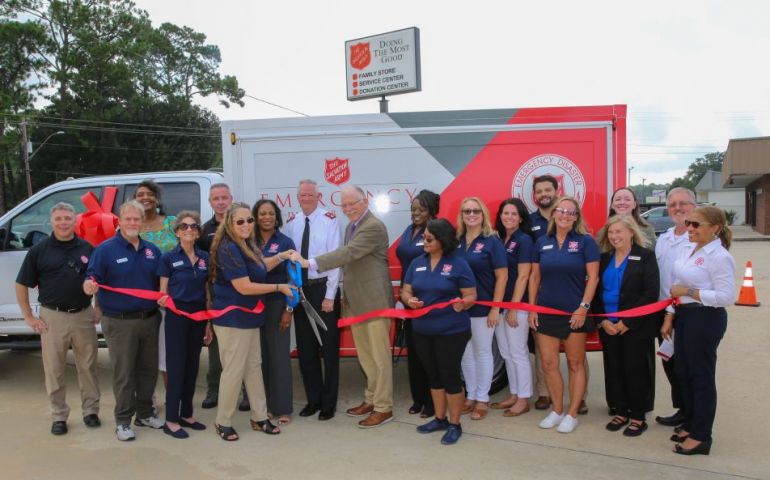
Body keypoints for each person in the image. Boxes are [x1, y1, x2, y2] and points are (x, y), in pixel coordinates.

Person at [292, 185, 395, 429]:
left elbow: (348, 254)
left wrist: (311, 263)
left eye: (353, 204)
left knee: (380, 359)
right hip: (358, 303)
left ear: (365, 201)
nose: (348, 208)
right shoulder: (352, 225)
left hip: (374, 302)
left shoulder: (372, 226)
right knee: (367, 358)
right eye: (344, 205)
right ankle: (371, 399)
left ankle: (384, 407)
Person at [208, 202, 295, 441]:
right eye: (240, 221)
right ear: (229, 224)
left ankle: (259, 417)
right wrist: (280, 286)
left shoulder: (247, 245)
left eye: (249, 220)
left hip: (249, 318)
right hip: (232, 320)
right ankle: (222, 421)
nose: (247, 225)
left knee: (253, 368)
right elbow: (244, 286)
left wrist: (280, 256)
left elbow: (260, 266)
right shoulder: (228, 248)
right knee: (234, 372)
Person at [15, 202, 100, 436]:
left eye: (67, 218)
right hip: (53, 317)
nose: (63, 222)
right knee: (54, 369)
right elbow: (21, 283)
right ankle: (59, 415)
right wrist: (29, 316)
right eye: (59, 218)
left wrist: (98, 307)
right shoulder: (39, 251)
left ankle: (91, 411)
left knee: (88, 366)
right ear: (51, 222)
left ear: (75, 221)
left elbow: (98, 281)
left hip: (83, 315)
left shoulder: (87, 248)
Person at [83, 200, 165, 441]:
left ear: (142, 222)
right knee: (124, 373)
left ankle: (145, 413)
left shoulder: (152, 250)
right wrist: (89, 287)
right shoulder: (106, 249)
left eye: (137, 219)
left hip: (150, 320)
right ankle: (123, 421)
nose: (132, 223)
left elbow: (161, 283)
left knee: (148, 370)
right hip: (119, 323)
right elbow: (92, 279)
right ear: (119, 221)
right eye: (128, 219)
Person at [662, 206, 735, 456]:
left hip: (705, 318)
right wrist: (671, 315)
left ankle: (702, 436)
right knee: (683, 371)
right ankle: (691, 422)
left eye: (696, 225)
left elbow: (726, 296)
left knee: (701, 376)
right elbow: (676, 285)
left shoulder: (720, 256)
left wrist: (690, 293)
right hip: (684, 315)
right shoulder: (688, 247)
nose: (689, 228)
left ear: (714, 229)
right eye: (689, 223)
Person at [400, 219, 477, 445]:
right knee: (433, 376)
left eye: (428, 238)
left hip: (452, 331)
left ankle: (455, 424)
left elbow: (472, 295)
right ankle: (440, 419)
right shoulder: (417, 263)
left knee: (449, 376)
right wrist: (409, 300)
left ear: (442, 240)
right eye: (424, 237)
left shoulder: (458, 264)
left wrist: (463, 303)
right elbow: (405, 291)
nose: (423, 241)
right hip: (423, 330)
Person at [528, 196, 599, 434]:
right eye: (561, 211)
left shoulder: (585, 242)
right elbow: (535, 278)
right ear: (554, 214)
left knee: (575, 363)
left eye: (571, 212)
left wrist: (583, 307)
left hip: (575, 313)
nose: (565, 215)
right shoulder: (541, 242)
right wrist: (532, 308)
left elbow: (593, 278)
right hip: (547, 311)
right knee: (549, 364)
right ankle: (557, 410)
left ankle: (572, 413)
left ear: (576, 217)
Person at [593, 215, 660, 437]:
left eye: (619, 232)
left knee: (636, 371)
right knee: (614, 370)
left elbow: (650, 293)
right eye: (611, 233)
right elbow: (595, 292)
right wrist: (602, 321)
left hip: (635, 327)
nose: (614, 236)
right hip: (608, 325)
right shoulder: (604, 259)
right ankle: (621, 411)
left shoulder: (646, 257)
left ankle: (638, 417)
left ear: (631, 232)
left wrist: (627, 322)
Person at [283, 179, 342, 421]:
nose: (306, 198)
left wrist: (330, 295)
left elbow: (335, 259)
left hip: (323, 291)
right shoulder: (292, 224)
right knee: (306, 351)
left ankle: (329, 404)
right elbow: (289, 261)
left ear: (318, 197)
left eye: (311, 194)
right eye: (302, 195)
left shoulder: (330, 221)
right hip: (302, 292)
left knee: (328, 350)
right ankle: (313, 400)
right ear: (297, 198)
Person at [156, 211, 211, 439]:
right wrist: (163, 300)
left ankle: (187, 414)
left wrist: (208, 322)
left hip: (198, 317)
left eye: (194, 227)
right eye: (185, 227)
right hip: (177, 317)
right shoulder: (168, 258)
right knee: (176, 368)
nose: (190, 230)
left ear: (198, 233)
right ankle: (171, 419)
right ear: (177, 232)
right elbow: (162, 291)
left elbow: (207, 291)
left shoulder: (205, 258)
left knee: (192, 366)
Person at [456, 197, 507, 421]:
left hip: (484, 307)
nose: (471, 214)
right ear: (462, 215)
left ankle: (483, 399)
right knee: (465, 353)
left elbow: (502, 276)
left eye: (476, 210)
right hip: (460, 308)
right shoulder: (457, 241)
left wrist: (495, 308)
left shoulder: (492, 241)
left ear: (483, 214)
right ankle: (471, 394)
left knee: (483, 352)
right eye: (467, 211)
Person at [395, 189, 440, 419]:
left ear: (431, 210)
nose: (415, 213)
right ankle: (418, 399)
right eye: (413, 209)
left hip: (426, 299)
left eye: (421, 209)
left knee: (429, 354)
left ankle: (433, 403)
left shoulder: (435, 231)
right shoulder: (408, 230)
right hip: (407, 296)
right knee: (413, 352)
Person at [653, 187, 696, 428]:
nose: (678, 209)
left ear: (694, 206)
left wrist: (671, 313)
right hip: (663, 311)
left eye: (683, 204)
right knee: (670, 363)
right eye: (673, 205)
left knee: (688, 365)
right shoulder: (664, 238)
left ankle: (693, 415)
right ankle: (682, 409)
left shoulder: (698, 238)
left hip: (687, 312)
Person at [253, 199, 295, 426]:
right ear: (256, 217)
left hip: (279, 305)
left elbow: (294, 279)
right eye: (262, 214)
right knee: (259, 359)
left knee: (279, 357)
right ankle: (265, 406)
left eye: (270, 213)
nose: (266, 217)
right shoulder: (248, 241)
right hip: (253, 305)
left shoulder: (286, 242)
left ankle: (283, 407)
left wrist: (289, 309)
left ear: (276, 216)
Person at [491, 198, 534, 417]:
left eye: (514, 214)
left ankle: (524, 398)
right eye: (505, 213)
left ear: (521, 218)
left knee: (518, 352)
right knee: (506, 353)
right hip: (500, 305)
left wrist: (514, 308)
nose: (509, 217)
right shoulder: (499, 239)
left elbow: (524, 275)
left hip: (517, 306)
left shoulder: (524, 240)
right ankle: (514, 394)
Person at [134, 180, 176, 394]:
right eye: (140, 194)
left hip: (169, 299)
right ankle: (146, 401)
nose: (145, 198)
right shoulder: (129, 226)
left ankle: (172, 397)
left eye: (150, 194)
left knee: (167, 353)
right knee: (146, 354)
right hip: (140, 300)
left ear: (157, 198)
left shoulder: (172, 223)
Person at [196, 183, 234, 410]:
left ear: (231, 199)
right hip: (216, 293)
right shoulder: (204, 231)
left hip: (242, 292)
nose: (220, 202)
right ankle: (213, 391)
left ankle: (246, 392)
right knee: (216, 347)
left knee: (242, 350)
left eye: (224, 197)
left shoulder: (242, 223)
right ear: (210, 203)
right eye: (216, 198)